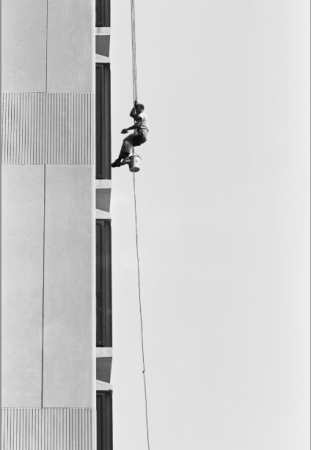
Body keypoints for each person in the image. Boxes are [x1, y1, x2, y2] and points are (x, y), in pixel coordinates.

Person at [111, 101, 149, 168]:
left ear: (140, 108)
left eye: (137, 108)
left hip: (141, 133)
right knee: (126, 145)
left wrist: (127, 129)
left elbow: (137, 125)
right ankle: (119, 160)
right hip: (143, 137)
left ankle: (126, 158)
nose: (136, 110)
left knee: (126, 140)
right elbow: (131, 114)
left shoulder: (142, 114)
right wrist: (134, 106)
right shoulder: (140, 115)